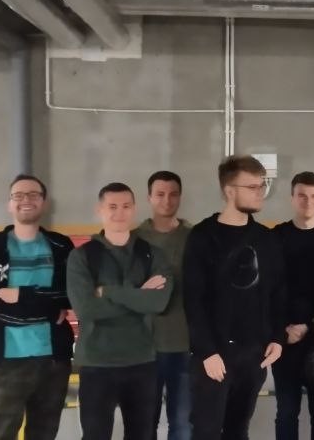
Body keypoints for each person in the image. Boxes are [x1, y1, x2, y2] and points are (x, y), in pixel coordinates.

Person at [183, 155, 287, 440]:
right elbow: (193, 298)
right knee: (206, 432)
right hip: (214, 355)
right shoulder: (203, 237)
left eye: (262, 185)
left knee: (238, 431)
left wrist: (278, 338)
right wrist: (206, 351)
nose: (260, 192)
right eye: (252, 187)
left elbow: (278, 292)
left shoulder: (266, 239)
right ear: (230, 191)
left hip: (254, 355)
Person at [67, 183, 173, 440]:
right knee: (95, 435)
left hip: (142, 361)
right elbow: (86, 309)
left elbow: (158, 303)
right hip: (96, 362)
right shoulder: (82, 257)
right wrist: (138, 295)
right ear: (100, 210)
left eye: (126, 206)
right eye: (112, 207)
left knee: (142, 435)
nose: (119, 213)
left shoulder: (151, 254)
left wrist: (109, 292)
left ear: (134, 209)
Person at [0, 174, 74, 440]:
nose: (26, 200)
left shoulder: (61, 246)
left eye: (33, 195)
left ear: (44, 202)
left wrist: (21, 294)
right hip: (5, 361)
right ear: (10, 204)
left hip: (53, 360)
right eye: (18, 195)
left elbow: (69, 295)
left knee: (44, 433)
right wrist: (49, 310)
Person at [273, 171, 314, 440]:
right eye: (301, 196)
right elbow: (269, 291)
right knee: (287, 412)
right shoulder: (276, 237)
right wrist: (282, 330)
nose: (308, 202)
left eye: (313, 196)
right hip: (285, 340)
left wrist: (311, 326)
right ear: (292, 198)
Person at [136, 171, 193, 440]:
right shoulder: (133, 239)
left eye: (173, 194)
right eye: (160, 194)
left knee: (182, 424)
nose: (167, 200)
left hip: (185, 343)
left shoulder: (194, 238)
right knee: (143, 424)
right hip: (143, 346)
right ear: (149, 197)